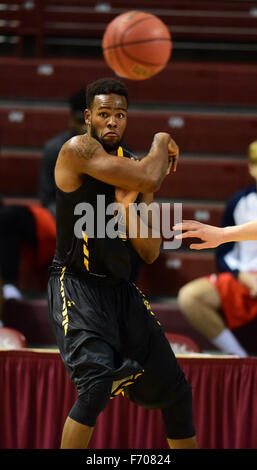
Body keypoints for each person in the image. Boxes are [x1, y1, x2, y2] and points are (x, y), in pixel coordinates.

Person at [48, 77, 197, 449]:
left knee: (177, 392)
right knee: (96, 384)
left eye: (120, 115)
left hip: (121, 291)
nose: (112, 122)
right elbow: (151, 173)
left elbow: (149, 251)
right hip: (77, 283)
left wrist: (127, 209)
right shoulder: (77, 150)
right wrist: (163, 138)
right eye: (104, 114)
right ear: (87, 117)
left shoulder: (133, 165)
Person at [0, 89, 87, 327]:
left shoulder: (117, 150)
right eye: (78, 121)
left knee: (138, 225)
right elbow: (47, 196)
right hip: (57, 218)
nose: (83, 128)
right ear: (70, 118)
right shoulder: (54, 148)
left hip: (100, 222)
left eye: (87, 122)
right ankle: (10, 285)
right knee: (8, 216)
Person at [175, 140, 257, 357]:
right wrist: (243, 276)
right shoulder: (239, 201)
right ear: (250, 167)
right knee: (190, 296)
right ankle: (239, 358)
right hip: (243, 277)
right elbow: (224, 254)